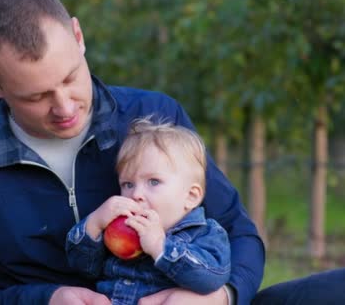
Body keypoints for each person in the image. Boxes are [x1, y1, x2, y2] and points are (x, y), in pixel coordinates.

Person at [0, 0, 345, 305]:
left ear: (79, 37)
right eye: (37, 96)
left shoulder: (153, 117)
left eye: (70, 77)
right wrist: (45, 298)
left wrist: (222, 295)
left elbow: (237, 229)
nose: (64, 106)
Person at [65, 118, 232, 304]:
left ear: (190, 196)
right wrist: (94, 223)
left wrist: (160, 247)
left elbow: (211, 279)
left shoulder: (206, 233)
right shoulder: (119, 227)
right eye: (128, 184)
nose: (136, 194)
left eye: (153, 182)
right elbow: (83, 268)